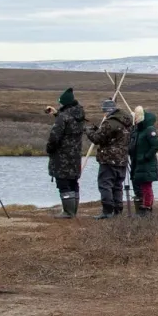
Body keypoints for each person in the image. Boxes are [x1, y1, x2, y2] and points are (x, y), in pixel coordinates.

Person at [44, 88, 87, 217]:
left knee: (63, 182)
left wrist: (49, 149)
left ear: (65, 104)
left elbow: (55, 137)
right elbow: (70, 124)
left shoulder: (63, 117)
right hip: (75, 155)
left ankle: (68, 212)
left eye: (61, 103)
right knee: (73, 181)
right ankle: (72, 211)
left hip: (62, 156)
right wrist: (57, 114)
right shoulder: (79, 115)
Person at [88, 100, 134, 219]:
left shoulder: (110, 122)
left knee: (105, 185)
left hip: (109, 159)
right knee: (117, 185)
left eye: (104, 111)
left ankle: (107, 211)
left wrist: (89, 131)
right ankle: (118, 210)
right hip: (122, 158)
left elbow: (97, 139)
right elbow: (114, 136)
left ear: (107, 111)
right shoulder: (127, 122)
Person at [129, 108, 158, 214]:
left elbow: (155, 146)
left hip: (146, 163)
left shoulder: (149, 129)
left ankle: (147, 206)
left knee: (146, 186)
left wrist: (146, 157)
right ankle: (146, 205)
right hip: (139, 162)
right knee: (144, 185)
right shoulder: (139, 130)